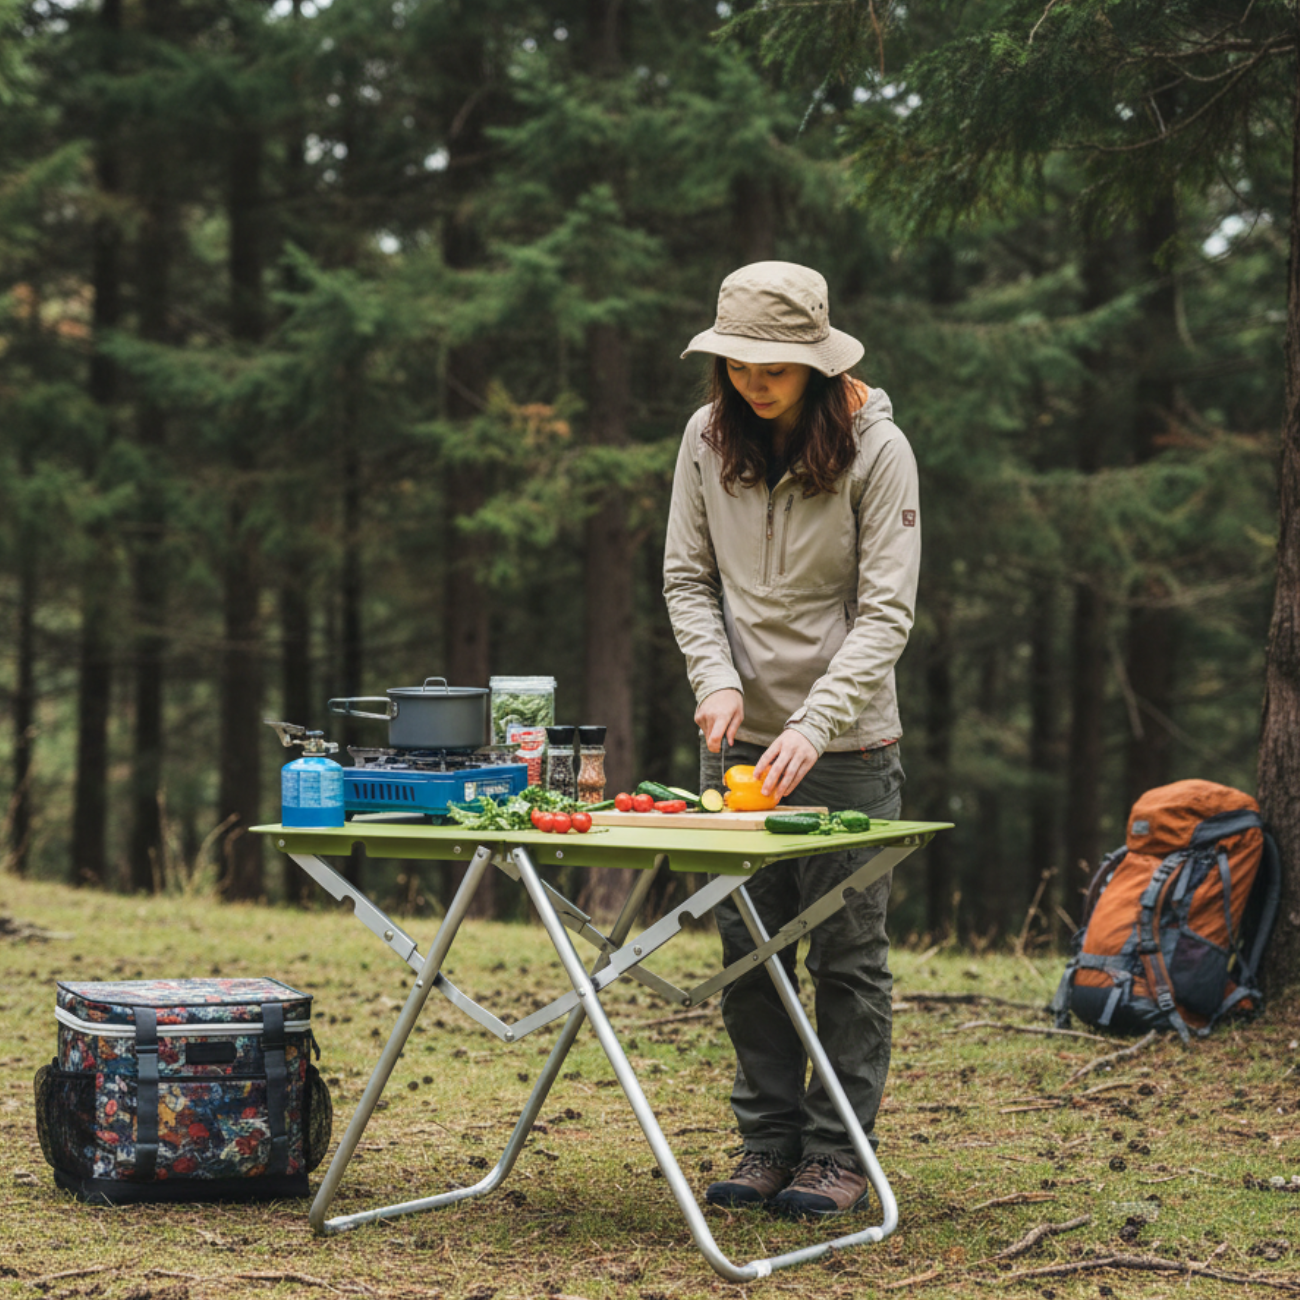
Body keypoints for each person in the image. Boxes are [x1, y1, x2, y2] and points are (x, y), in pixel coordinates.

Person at [662, 261, 920, 1220]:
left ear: (814, 360)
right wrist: (716, 680)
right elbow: (688, 580)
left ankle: (839, 1150)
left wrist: (815, 722)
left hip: (848, 748)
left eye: (774, 364)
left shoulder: (879, 448)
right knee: (747, 952)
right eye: (737, 361)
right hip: (735, 747)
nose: (754, 380)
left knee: (847, 958)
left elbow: (887, 613)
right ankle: (768, 1141)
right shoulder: (704, 437)